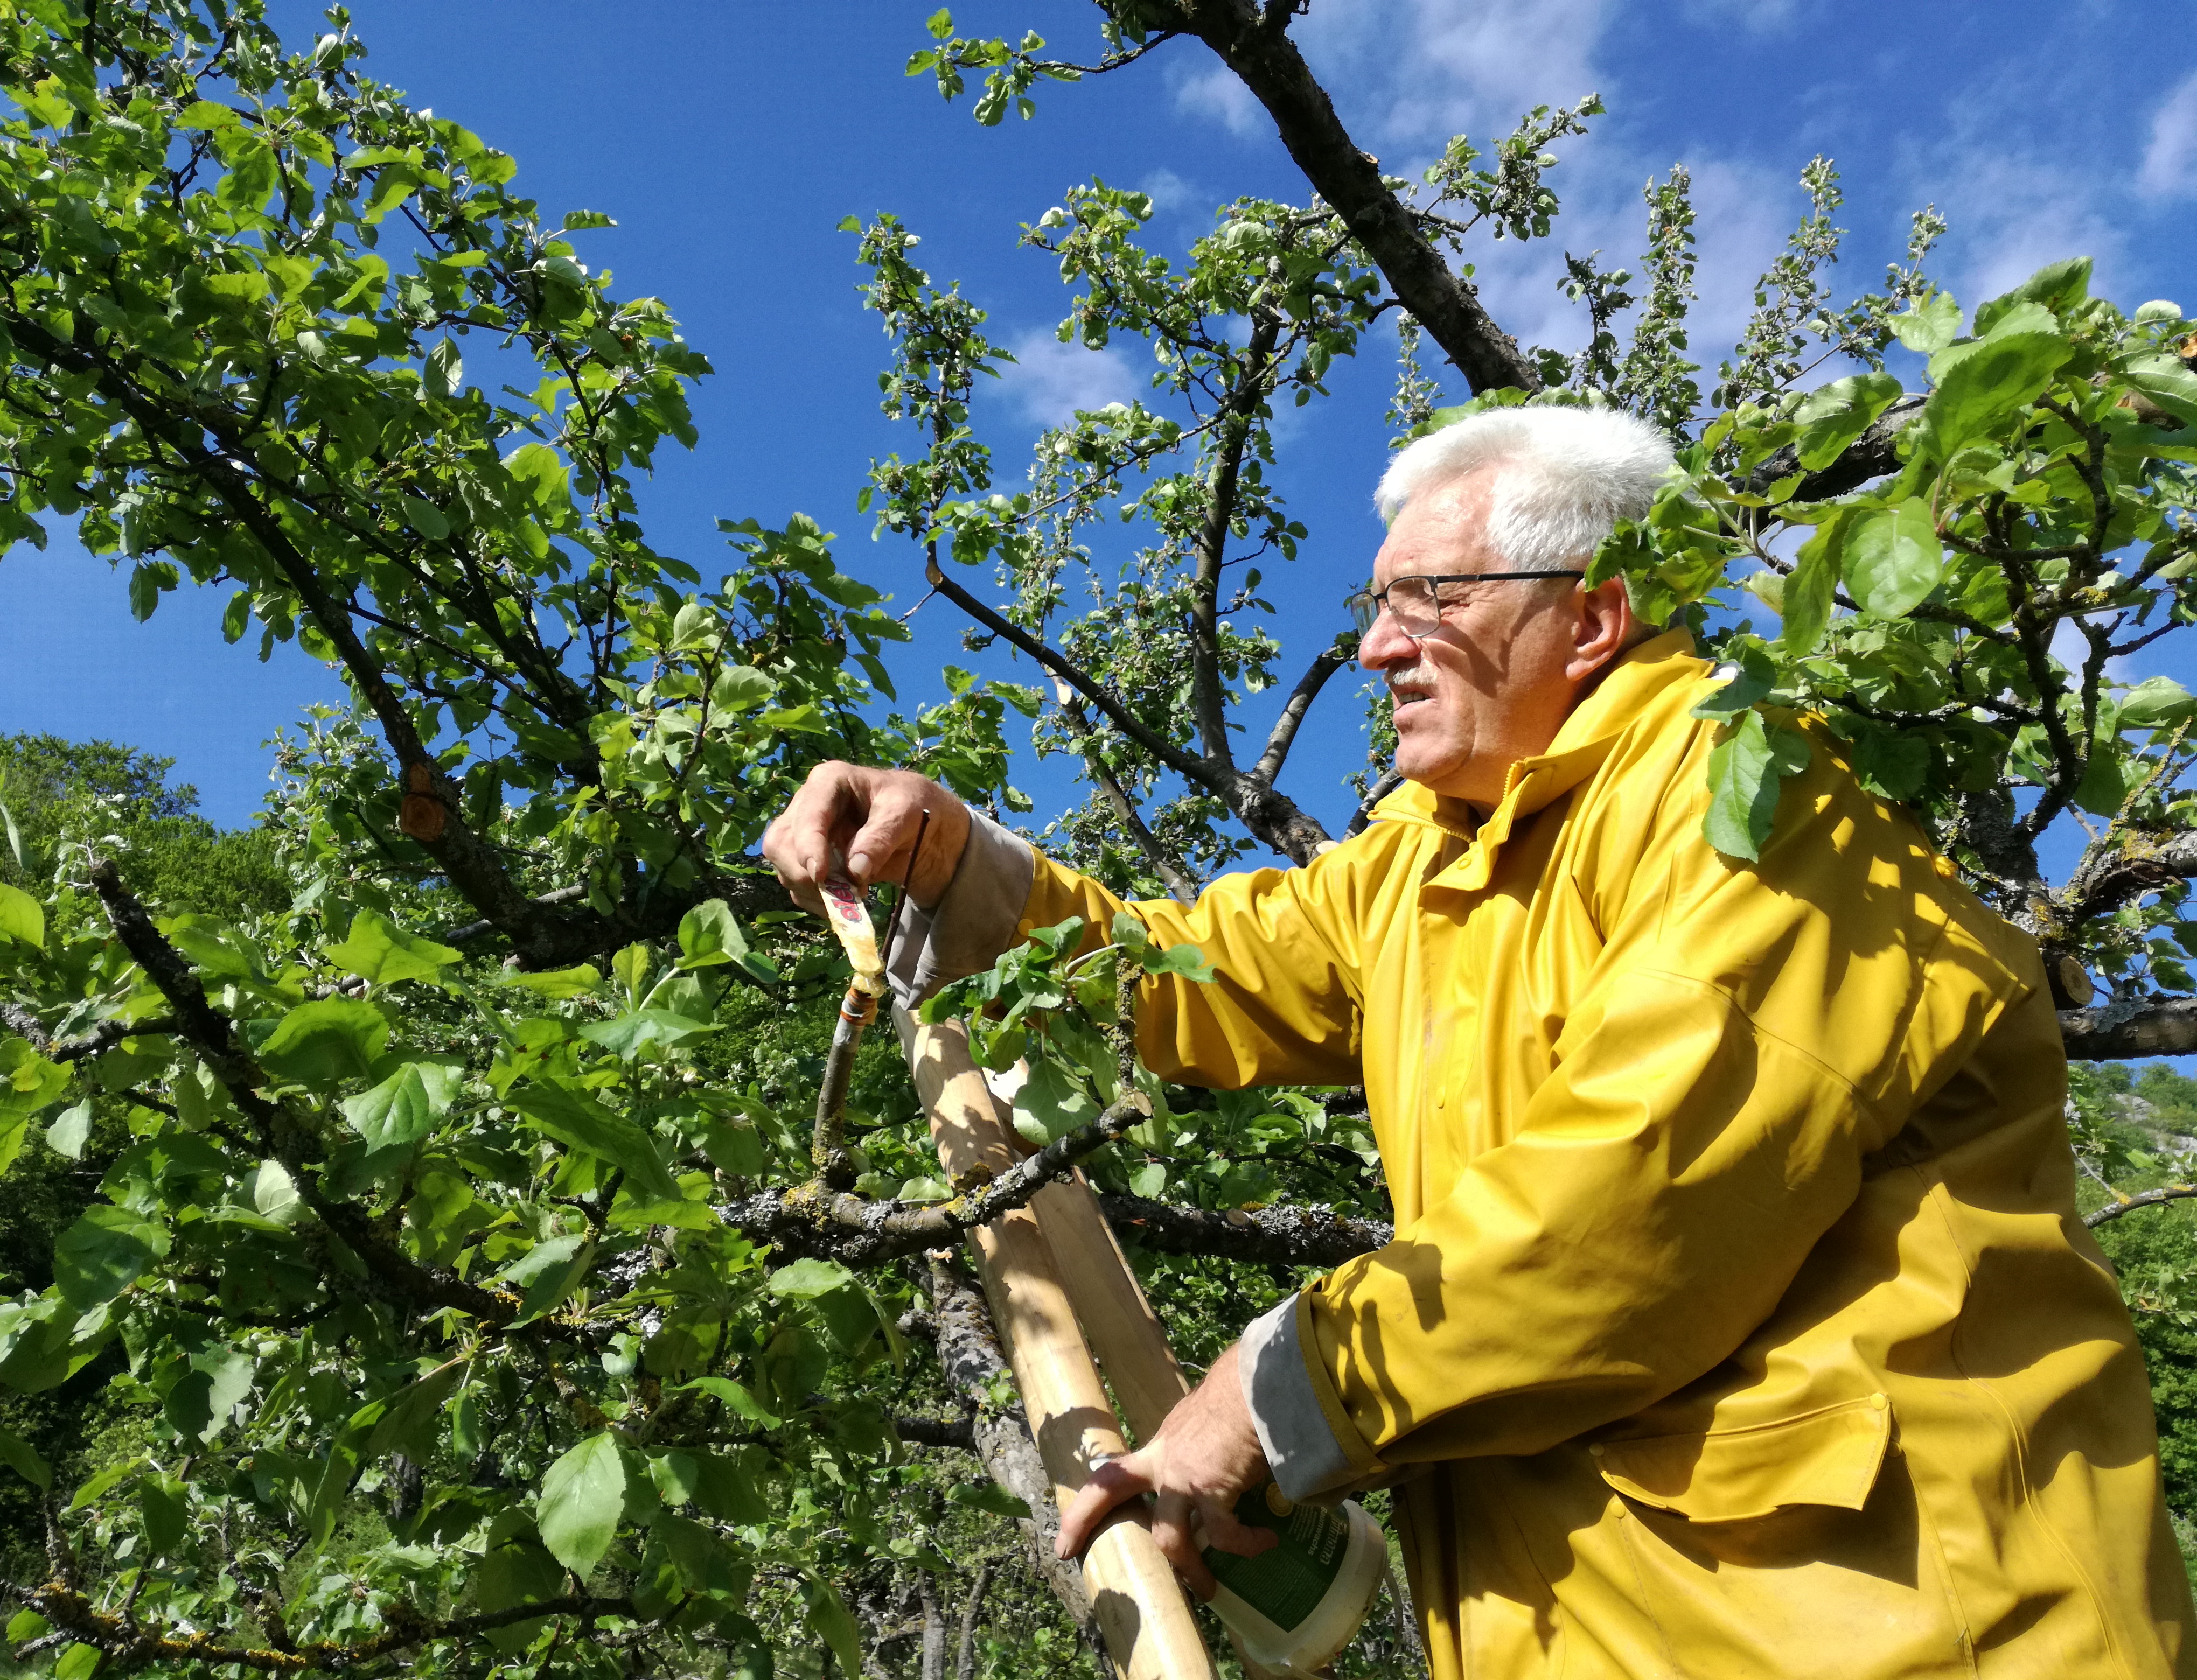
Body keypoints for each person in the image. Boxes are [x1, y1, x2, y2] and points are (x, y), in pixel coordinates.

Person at [763, 406, 2195, 1679]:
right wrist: (953, 858)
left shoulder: (1761, 795)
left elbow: (1635, 1208)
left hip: (1912, 1635)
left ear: (1593, 618)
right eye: (1375, 604)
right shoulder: (1419, 863)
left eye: (1432, 599)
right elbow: (1183, 976)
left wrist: (1261, 1401)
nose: (1382, 645)